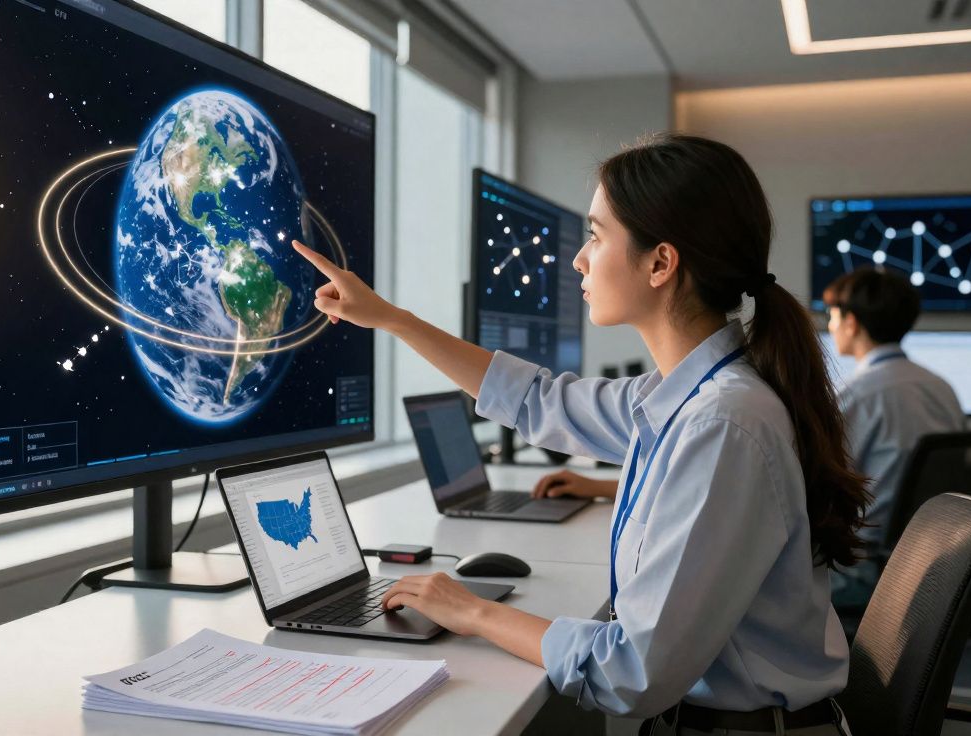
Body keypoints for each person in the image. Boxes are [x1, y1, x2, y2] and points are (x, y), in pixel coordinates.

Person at [291, 132, 868, 735]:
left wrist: (472, 611)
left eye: (595, 235)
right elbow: (540, 401)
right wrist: (390, 319)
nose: (579, 259)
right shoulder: (684, 398)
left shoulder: (723, 423)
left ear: (660, 263)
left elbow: (631, 673)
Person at [822, 268, 964, 608]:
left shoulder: (854, 395)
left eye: (832, 316)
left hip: (866, 571)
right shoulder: (942, 389)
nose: (829, 326)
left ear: (851, 323)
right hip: (931, 565)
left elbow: (817, 483)